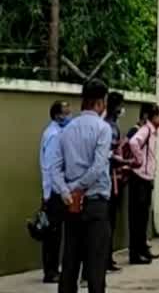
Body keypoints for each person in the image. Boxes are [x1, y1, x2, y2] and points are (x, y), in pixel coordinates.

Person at [51, 80, 112, 293]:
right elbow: (97, 167)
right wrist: (78, 187)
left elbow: (54, 168)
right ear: (99, 102)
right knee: (96, 266)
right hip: (95, 204)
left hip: (72, 205)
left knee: (70, 262)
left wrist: (67, 191)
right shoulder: (103, 129)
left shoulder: (66, 131)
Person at [127, 103, 159, 264]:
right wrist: (139, 160)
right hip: (139, 178)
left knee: (143, 218)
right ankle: (135, 254)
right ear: (153, 116)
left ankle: (142, 249)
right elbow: (134, 142)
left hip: (146, 178)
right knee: (137, 218)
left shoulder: (153, 132)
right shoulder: (146, 130)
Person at [39, 100, 71, 284]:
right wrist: (55, 193)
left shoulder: (57, 132)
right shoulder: (53, 135)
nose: (69, 115)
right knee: (53, 233)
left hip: (53, 191)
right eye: (66, 112)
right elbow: (52, 168)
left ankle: (52, 269)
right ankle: (50, 271)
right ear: (58, 115)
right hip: (53, 192)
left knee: (55, 232)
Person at [104, 91, 127, 272]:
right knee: (108, 220)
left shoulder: (112, 125)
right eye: (120, 105)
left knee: (110, 220)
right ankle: (105, 257)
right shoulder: (109, 127)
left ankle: (107, 256)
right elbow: (109, 155)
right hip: (110, 179)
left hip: (115, 178)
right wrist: (125, 162)